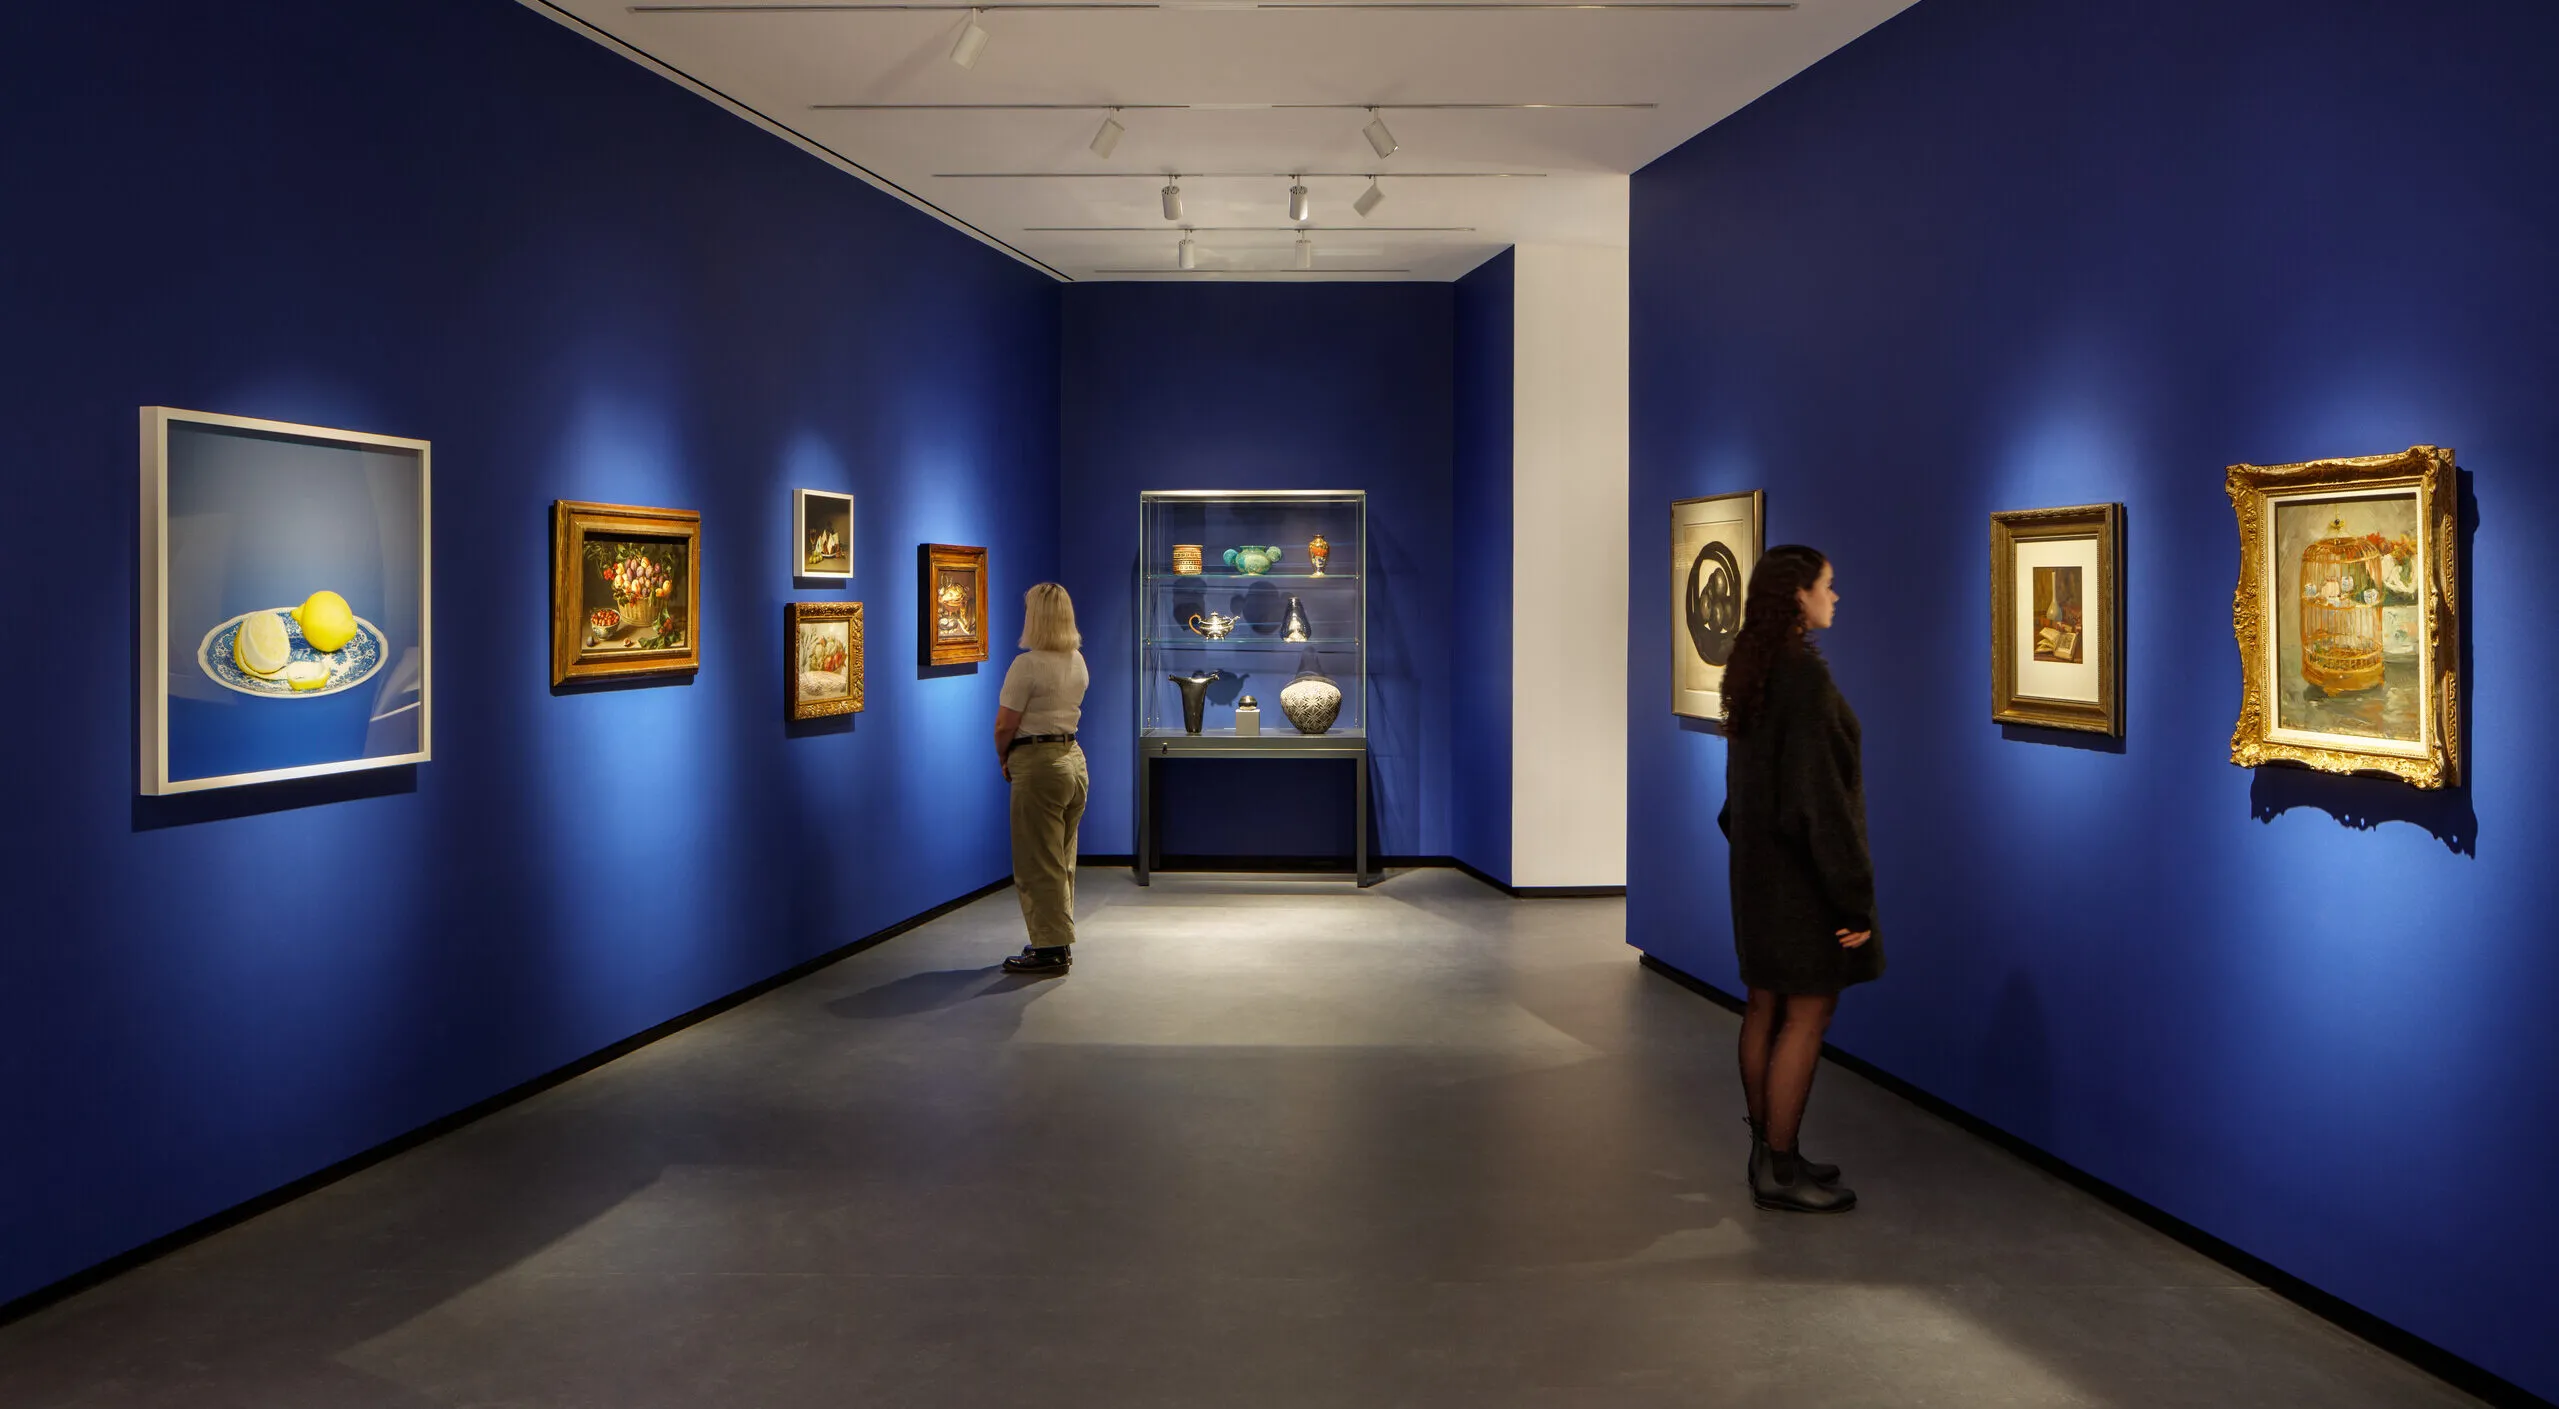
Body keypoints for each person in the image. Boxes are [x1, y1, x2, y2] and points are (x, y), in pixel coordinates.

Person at [1717, 545, 1881, 1213]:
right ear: (1798, 596)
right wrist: (1851, 896)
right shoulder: (1803, 679)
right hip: (1799, 879)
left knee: (1763, 1006)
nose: (1834, 597)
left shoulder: (1751, 667)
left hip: (1757, 872)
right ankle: (1781, 1170)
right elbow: (1817, 801)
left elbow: (1741, 795)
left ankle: (1766, 1150)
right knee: (1807, 1014)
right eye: (1828, 586)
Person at [993, 583, 1091, 976]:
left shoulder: (1027, 665)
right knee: (1062, 857)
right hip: (1073, 759)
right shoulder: (1077, 660)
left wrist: (1003, 755)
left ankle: (1049, 948)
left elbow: (1005, 724)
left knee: (1037, 861)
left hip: (1038, 762)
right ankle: (1058, 939)